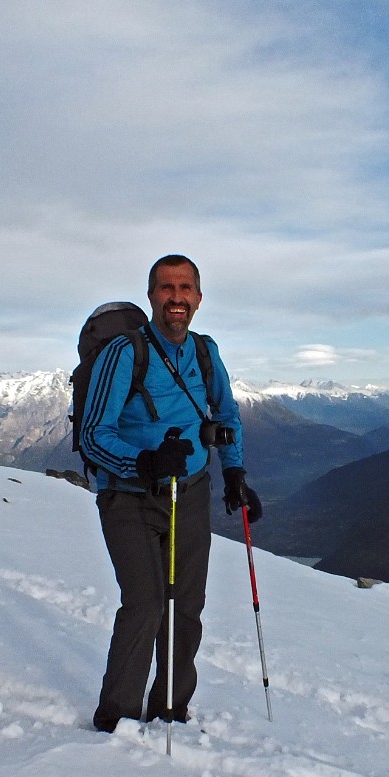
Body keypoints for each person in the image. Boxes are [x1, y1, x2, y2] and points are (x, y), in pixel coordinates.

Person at [80, 254, 262, 733]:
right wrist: (143, 462)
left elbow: (225, 413)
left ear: (198, 299)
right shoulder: (125, 354)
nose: (175, 297)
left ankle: (171, 709)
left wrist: (235, 471)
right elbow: (93, 435)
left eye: (185, 288)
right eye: (166, 288)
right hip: (130, 496)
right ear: (151, 296)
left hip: (191, 491)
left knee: (185, 606)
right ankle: (116, 716)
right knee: (145, 603)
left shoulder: (205, 351)